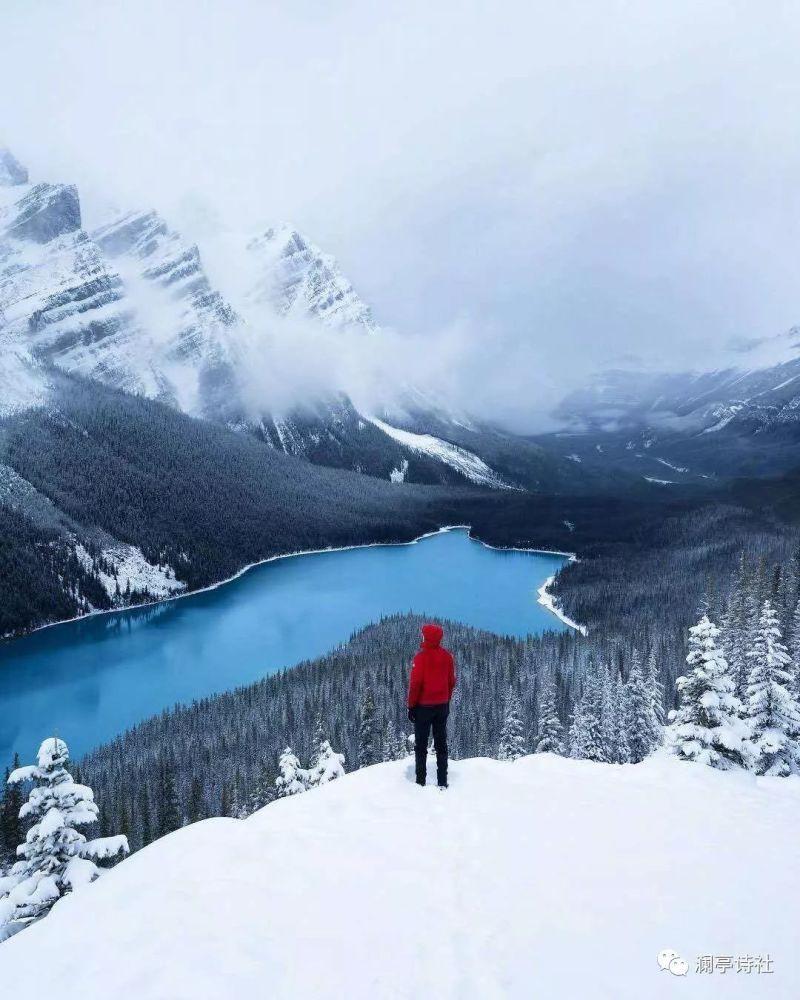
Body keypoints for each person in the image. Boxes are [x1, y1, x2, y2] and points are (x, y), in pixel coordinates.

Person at [407, 623, 456, 788]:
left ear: (426, 637)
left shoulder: (420, 658)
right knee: (441, 744)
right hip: (442, 706)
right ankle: (442, 781)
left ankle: (420, 781)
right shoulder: (447, 657)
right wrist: (446, 700)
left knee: (421, 745)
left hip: (423, 708)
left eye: (423, 634)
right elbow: (451, 682)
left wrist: (411, 706)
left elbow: (415, 685)